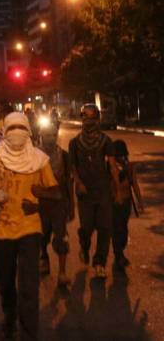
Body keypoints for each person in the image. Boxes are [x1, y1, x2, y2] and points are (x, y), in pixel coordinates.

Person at [0, 112, 60, 341]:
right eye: (12, 128)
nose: (16, 132)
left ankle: (28, 332)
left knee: (29, 285)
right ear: (4, 131)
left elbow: (56, 192)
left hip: (30, 230)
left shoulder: (39, 159)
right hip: (0, 230)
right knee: (4, 281)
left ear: (28, 131)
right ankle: (9, 316)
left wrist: (40, 197)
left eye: (21, 127)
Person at [69, 104, 120, 279]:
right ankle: (84, 246)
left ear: (97, 118)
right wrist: (79, 183)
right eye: (86, 117)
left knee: (105, 228)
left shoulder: (106, 140)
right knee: (87, 228)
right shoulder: (74, 143)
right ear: (82, 118)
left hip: (104, 190)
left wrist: (118, 190)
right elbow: (73, 167)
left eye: (92, 117)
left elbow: (112, 165)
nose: (89, 121)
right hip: (85, 193)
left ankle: (100, 263)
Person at [38, 123, 73, 286]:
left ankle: (62, 273)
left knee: (61, 238)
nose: (50, 138)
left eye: (53, 134)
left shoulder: (64, 156)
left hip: (59, 203)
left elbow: (68, 182)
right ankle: (43, 258)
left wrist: (72, 206)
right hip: (40, 204)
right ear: (41, 135)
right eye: (47, 135)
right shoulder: (34, 155)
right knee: (41, 237)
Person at [112, 139, 144, 271]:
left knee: (123, 229)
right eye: (117, 155)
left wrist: (139, 201)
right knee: (116, 230)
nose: (119, 157)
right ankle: (118, 255)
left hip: (126, 203)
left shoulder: (129, 167)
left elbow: (134, 185)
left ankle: (120, 252)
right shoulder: (109, 167)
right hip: (113, 204)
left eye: (121, 154)